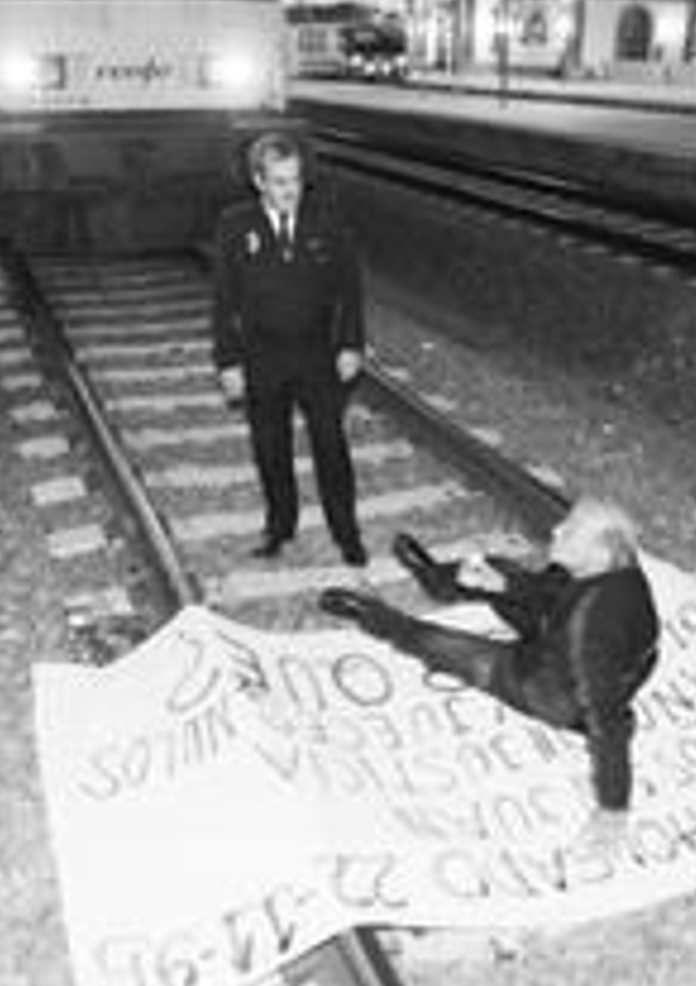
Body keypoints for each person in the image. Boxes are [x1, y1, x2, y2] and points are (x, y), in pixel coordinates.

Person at [319, 498, 661, 847]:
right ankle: (434, 579)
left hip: (547, 687)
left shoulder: (591, 626)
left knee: (445, 646)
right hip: (557, 633)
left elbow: (606, 718)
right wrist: (502, 587)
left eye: (570, 531)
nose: (557, 529)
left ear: (600, 552)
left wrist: (613, 810)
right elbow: (556, 594)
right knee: (497, 569)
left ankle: (375, 617)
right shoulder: (617, 570)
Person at [213, 130, 367, 566]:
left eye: (295, 181)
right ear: (259, 181)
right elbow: (223, 300)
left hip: (316, 354)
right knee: (270, 447)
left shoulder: (327, 223)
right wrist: (228, 361)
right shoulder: (234, 225)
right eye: (279, 182)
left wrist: (351, 343)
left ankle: (346, 532)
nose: (289, 191)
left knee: (330, 445)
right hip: (261, 356)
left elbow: (349, 289)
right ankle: (280, 526)